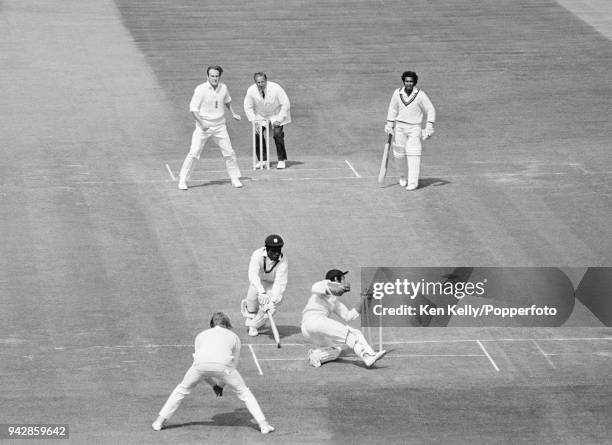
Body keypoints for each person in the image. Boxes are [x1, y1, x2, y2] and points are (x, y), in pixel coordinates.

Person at [151, 312, 275, 434]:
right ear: (227, 324)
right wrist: (219, 385)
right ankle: (264, 425)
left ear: (212, 323)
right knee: (244, 392)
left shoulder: (200, 335)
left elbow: (200, 365)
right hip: (224, 367)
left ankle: (158, 422)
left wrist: (214, 385)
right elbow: (233, 364)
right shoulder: (234, 337)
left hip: (199, 366)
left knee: (181, 390)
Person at [301, 270, 387, 368]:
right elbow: (316, 288)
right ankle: (366, 356)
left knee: (336, 350)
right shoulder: (322, 285)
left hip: (308, 330)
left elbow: (349, 316)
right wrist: (338, 287)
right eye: (343, 279)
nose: (345, 282)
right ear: (337, 279)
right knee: (351, 334)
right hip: (315, 320)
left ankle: (316, 356)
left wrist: (367, 298)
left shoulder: (333, 301)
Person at [178, 65, 243, 190]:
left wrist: (233, 113)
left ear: (219, 76)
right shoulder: (200, 89)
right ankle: (182, 180)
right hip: (203, 126)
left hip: (220, 126)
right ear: (207, 76)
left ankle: (235, 178)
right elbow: (193, 109)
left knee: (229, 152)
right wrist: (202, 123)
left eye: (217, 76)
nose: (215, 78)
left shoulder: (223, 87)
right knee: (194, 152)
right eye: (212, 76)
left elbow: (227, 100)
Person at [385, 70, 436, 190]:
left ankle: (413, 182)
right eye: (407, 81)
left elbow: (430, 110)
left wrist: (429, 127)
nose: (408, 83)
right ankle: (402, 176)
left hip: (414, 128)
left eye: (411, 81)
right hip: (400, 127)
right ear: (404, 81)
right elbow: (392, 109)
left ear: (414, 82)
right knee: (399, 154)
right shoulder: (397, 93)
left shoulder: (420, 95)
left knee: (414, 154)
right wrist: (389, 125)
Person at [240, 234, 288, 337]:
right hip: (259, 282)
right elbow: (253, 274)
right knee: (253, 293)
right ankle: (251, 314)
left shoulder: (283, 261)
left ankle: (254, 325)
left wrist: (272, 301)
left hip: (273, 285)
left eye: (278, 250)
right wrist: (262, 292)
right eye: (273, 250)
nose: (276, 253)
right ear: (267, 249)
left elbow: (280, 283)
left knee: (272, 308)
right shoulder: (257, 255)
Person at [243, 72, 291, 169]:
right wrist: (254, 122)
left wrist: (279, 119)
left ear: (266, 80)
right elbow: (247, 107)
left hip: (276, 114)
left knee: (277, 134)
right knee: (257, 134)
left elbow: (286, 103)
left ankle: (281, 160)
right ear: (255, 82)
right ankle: (262, 160)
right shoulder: (251, 90)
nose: (261, 84)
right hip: (261, 115)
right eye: (258, 82)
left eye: (263, 82)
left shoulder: (276, 87)